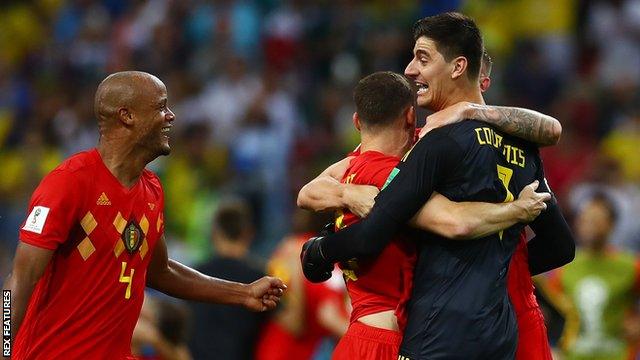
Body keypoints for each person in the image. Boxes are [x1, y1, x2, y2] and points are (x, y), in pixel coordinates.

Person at [301, 13, 575, 359]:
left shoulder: (434, 141)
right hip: (517, 320)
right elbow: (561, 246)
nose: (411, 69)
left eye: (422, 58)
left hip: (446, 324)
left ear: (458, 67)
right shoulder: (523, 143)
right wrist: (501, 268)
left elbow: (374, 230)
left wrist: (322, 249)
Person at [2, 71, 286, 360]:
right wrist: (4, 349)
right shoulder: (69, 183)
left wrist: (244, 293)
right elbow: (19, 281)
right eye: (161, 107)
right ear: (127, 116)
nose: (171, 116)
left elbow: (161, 271)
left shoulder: (151, 191)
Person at [546, 193, 640, 360]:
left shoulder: (630, 266)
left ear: (611, 224)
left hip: (619, 355)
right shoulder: (564, 269)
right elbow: (551, 314)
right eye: (585, 219)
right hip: (574, 356)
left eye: (596, 220)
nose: (590, 226)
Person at [256, 209, 349, 360]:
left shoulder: (289, 249)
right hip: (285, 352)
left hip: (288, 351)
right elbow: (295, 321)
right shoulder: (301, 253)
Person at [188, 199, 268, 360]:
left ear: (215, 233)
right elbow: (292, 324)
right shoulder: (259, 279)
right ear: (248, 233)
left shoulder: (193, 275)